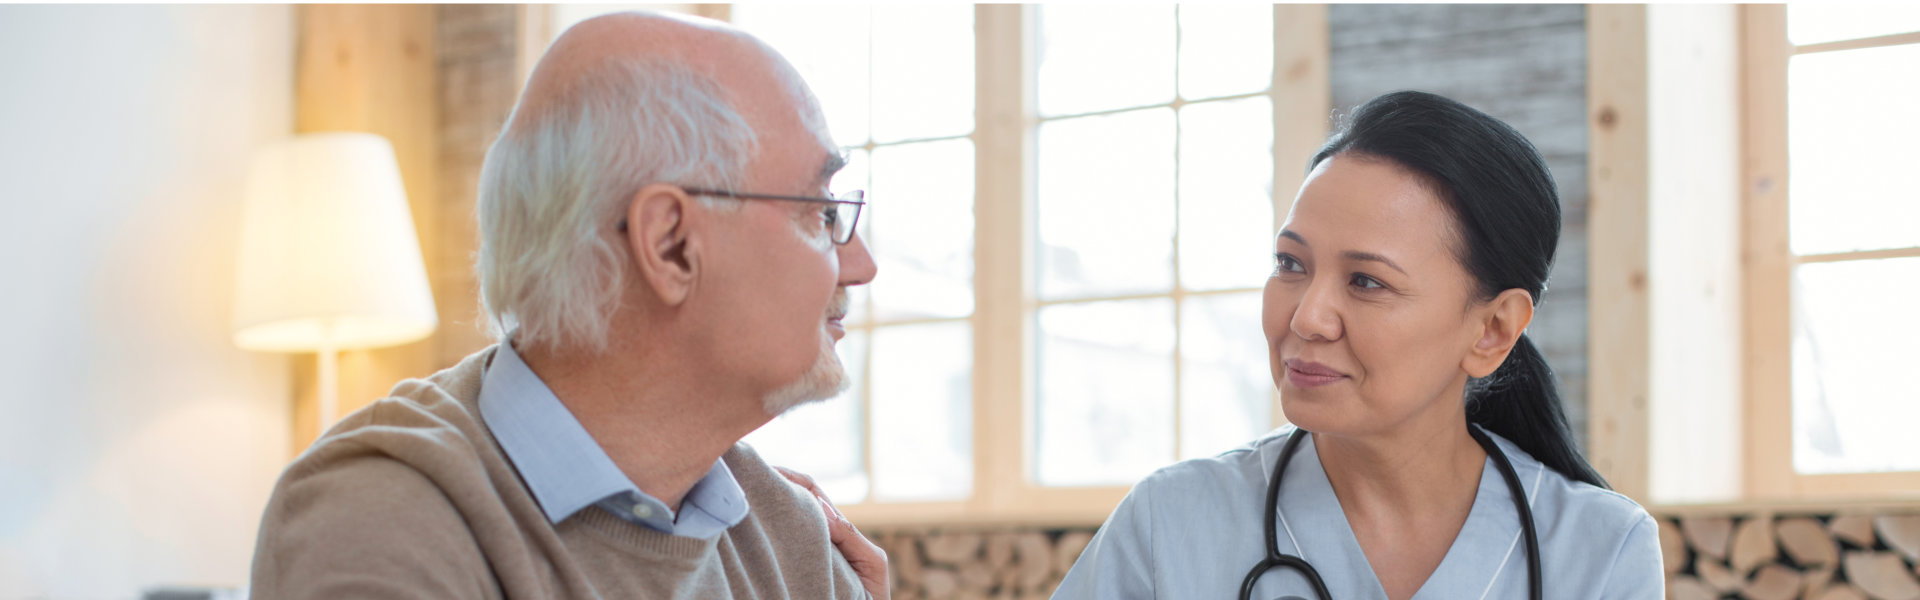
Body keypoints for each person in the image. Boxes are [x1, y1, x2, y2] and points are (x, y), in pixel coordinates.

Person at [249, 11, 891, 598]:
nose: (861, 265)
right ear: (670, 246)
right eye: (821, 212)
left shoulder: (794, 537)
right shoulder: (378, 521)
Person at [1053, 91, 1662, 599]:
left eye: (1367, 281)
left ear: (1493, 330)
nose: (1309, 317)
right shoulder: (1170, 524)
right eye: (1291, 263)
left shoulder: (1602, 551)